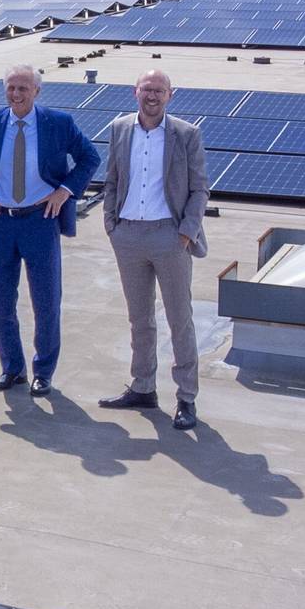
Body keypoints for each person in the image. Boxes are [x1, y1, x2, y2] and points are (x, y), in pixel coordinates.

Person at [0, 64, 101, 396]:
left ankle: (43, 371)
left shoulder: (57, 123)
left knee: (46, 300)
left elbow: (90, 157)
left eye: (23, 89)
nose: (16, 95)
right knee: (0, 299)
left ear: (37, 91)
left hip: (40, 220)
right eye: (11, 88)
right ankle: (12, 367)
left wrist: (65, 191)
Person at [98, 70, 209, 431]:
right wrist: (111, 225)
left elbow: (199, 189)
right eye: (147, 89)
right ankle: (143, 386)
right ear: (135, 92)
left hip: (169, 237)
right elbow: (112, 179)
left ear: (170, 95)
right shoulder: (120, 128)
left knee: (180, 319)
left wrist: (186, 233)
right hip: (128, 235)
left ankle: (186, 397)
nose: (152, 96)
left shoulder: (186, 134)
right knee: (139, 319)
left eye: (159, 91)